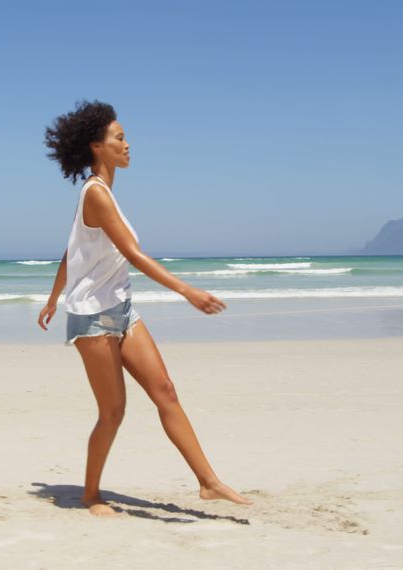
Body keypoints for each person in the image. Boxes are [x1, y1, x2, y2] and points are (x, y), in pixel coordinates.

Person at [36, 100, 252, 517]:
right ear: (97, 147)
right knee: (113, 411)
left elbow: (72, 251)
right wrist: (187, 291)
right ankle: (91, 494)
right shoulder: (96, 195)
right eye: (119, 138)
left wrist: (50, 298)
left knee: (165, 392)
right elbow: (133, 254)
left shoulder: (106, 195)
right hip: (93, 317)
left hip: (121, 309)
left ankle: (208, 482)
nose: (128, 144)